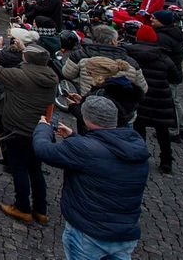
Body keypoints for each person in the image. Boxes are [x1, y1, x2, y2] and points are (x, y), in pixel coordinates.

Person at [33, 96, 150, 260]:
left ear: (87, 118)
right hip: (125, 233)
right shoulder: (135, 145)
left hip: (89, 233)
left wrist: (43, 128)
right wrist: (73, 136)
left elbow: (43, 149)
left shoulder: (84, 149)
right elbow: (103, 154)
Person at [0, 37, 58, 224]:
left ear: (26, 59)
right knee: (36, 169)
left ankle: (22, 207)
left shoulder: (20, 76)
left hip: (18, 128)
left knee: (19, 168)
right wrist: (27, 50)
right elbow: (36, 60)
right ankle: (41, 210)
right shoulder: (51, 76)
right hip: (39, 129)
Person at [126, 24, 182, 173]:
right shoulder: (163, 57)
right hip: (160, 100)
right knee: (163, 133)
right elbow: (176, 78)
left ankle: (139, 155)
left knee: (138, 129)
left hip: (139, 97)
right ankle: (166, 161)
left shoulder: (129, 54)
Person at [62, 25, 147, 95]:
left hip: (88, 101)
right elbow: (143, 88)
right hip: (121, 109)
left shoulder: (80, 55)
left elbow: (67, 74)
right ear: (113, 41)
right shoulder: (130, 62)